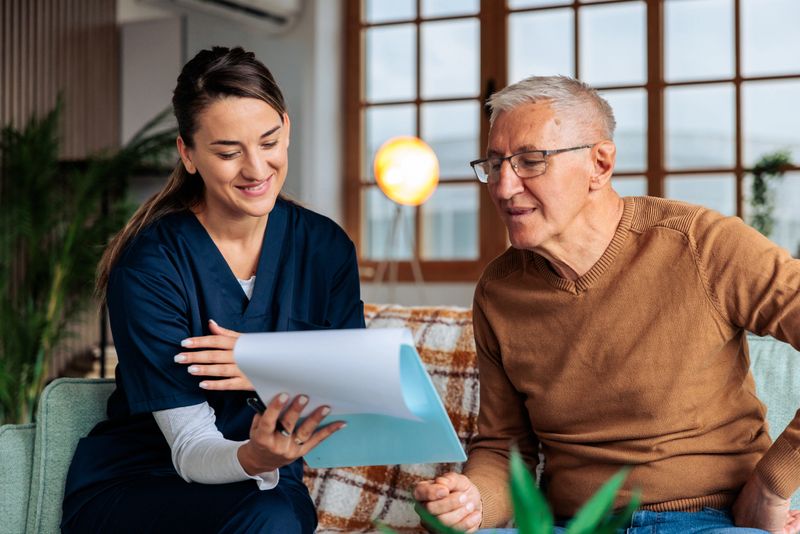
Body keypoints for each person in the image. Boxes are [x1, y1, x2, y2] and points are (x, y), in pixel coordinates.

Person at [413, 75, 800, 534]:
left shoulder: (701, 244)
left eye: (530, 162)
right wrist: (473, 502)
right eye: (494, 165)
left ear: (600, 163)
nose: (503, 186)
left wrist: (773, 481)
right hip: (572, 525)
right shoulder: (499, 292)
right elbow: (504, 447)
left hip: (708, 519)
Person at [61, 46, 364, 533]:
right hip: (146, 483)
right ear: (189, 154)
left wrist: (265, 363)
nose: (256, 168)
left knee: (277, 513)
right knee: (269, 518)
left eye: (269, 142)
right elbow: (188, 448)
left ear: (286, 128)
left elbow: (355, 383)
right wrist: (255, 451)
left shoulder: (325, 248)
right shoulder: (150, 265)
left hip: (269, 482)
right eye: (228, 152)